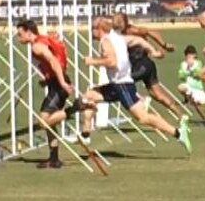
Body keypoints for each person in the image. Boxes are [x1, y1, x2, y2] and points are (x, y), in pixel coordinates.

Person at [67, 18, 192, 153]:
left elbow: (112, 62)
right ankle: (85, 134)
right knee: (89, 95)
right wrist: (152, 50)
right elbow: (137, 40)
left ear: (100, 29)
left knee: (143, 118)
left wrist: (92, 61)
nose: (91, 32)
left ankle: (178, 133)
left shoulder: (106, 42)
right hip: (119, 84)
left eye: (93, 29)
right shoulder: (118, 38)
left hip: (122, 85)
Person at [16, 20, 73, 169]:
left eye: (20, 34)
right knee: (49, 123)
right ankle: (54, 159)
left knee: (44, 121)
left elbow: (54, 61)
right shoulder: (44, 39)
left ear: (29, 32)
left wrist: (61, 83)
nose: (18, 38)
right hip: (55, 82)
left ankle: (76, 108)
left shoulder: (37, 46)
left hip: (58, 84)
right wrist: (47, 81)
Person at [111, 13, 185, 118]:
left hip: (141, 65)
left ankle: (141, 99)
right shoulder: (114, 32)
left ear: (126, 23)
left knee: (121, 82)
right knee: (157, 95)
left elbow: (151, 32)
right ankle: (181, 116)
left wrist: (164, 45)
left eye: (120, 23)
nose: (117, 25)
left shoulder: (133, 31)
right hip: (147, 66)